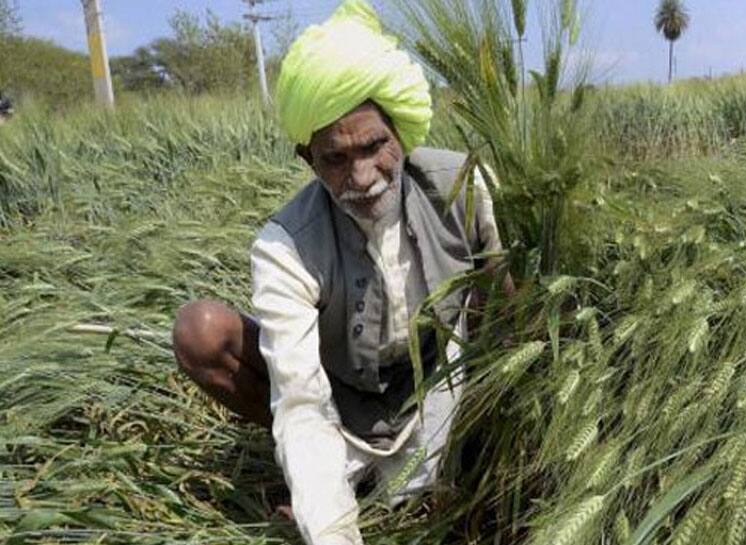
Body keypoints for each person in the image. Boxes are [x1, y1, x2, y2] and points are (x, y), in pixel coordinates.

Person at [171, 1, 508, 544]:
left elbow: (503, 316)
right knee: (200, 330)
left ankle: (437, 470)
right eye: (335, 159)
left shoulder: (463, 186)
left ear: (400, 132)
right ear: (308, 159)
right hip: (341, 404)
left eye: (375, 147)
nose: (362, 176)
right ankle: (336, 485)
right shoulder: (285, 247)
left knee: (432, 498)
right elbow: (301, 400)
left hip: (438, 389)